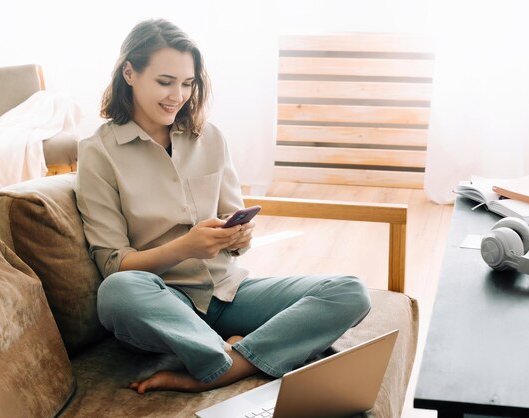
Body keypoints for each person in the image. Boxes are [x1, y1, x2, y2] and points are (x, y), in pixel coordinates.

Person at [75, 18, 371, 394]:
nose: (177, 95)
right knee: (117, 291)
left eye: (188, 83)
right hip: (164, 304)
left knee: (350, 291)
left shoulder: (209, 137)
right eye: (165, 82)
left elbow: (237, 234)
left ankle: (228, 365)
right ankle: (233, 354)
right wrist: (185, 248)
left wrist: (239, 234)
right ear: (129, 73)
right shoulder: (98, 153)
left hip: (229, 293)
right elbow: (113, 263)